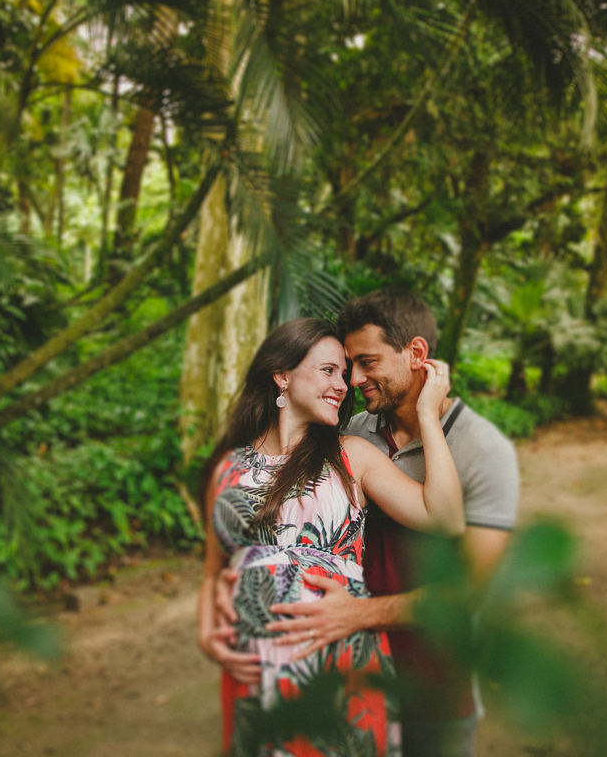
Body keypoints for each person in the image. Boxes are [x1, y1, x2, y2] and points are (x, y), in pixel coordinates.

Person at [263, 289, 520, 757]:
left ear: (416, 354)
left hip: (433, 688)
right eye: (347, 365)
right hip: (351, 677)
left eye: (367, 362)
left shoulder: (486, 452)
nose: (355, 379)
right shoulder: (355, 434)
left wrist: (358, 613)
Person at [196, 316, 465, 757]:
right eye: (328, 371)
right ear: (282, 375)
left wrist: (426, 415)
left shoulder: (351, 457)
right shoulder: (228, 469)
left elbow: (446, 516)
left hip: (339, 664)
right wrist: (208, 630)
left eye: (344, 374)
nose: (343, 385)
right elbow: (213, 571)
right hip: (254, 673)